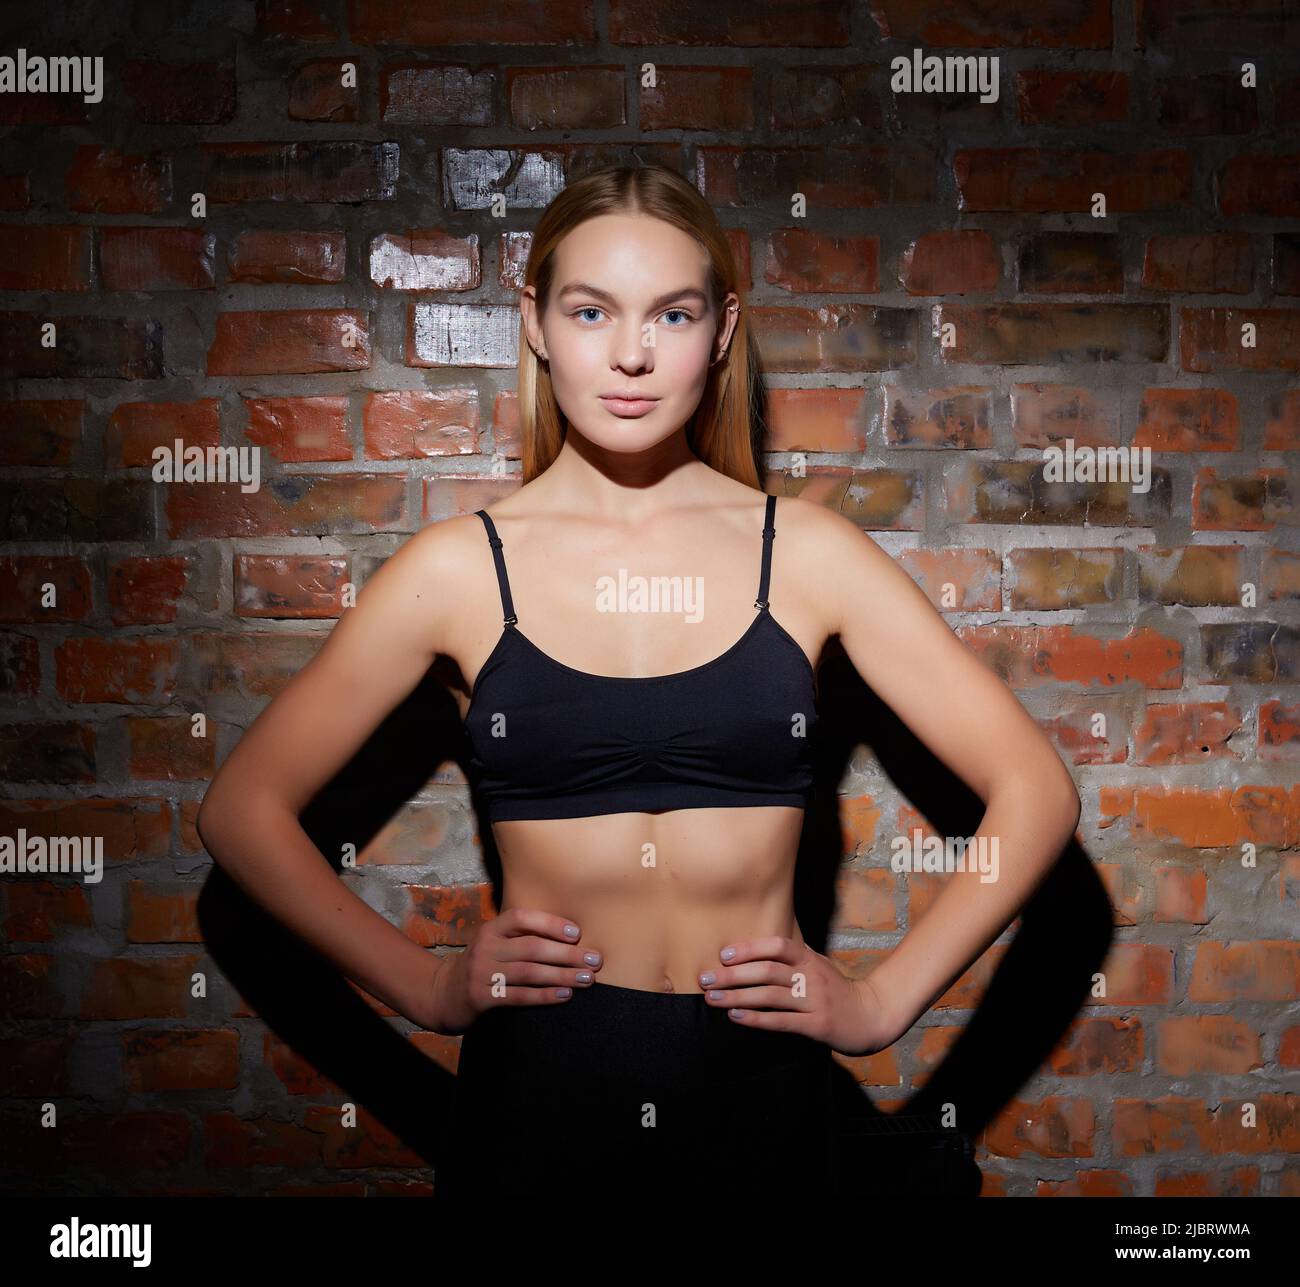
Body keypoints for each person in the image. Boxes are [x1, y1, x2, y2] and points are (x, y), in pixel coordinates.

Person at [197, 163, 1081, 1203]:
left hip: (764, 1098)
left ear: (721, 329)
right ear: (535, 323)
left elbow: (1036, 790)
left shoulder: (807, 555)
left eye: (671, 313)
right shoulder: (458, 571)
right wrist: (427, 987)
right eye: (590, 311)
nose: (630, 353)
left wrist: (882, 1004)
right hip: (539, 1104)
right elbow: (242, 811)